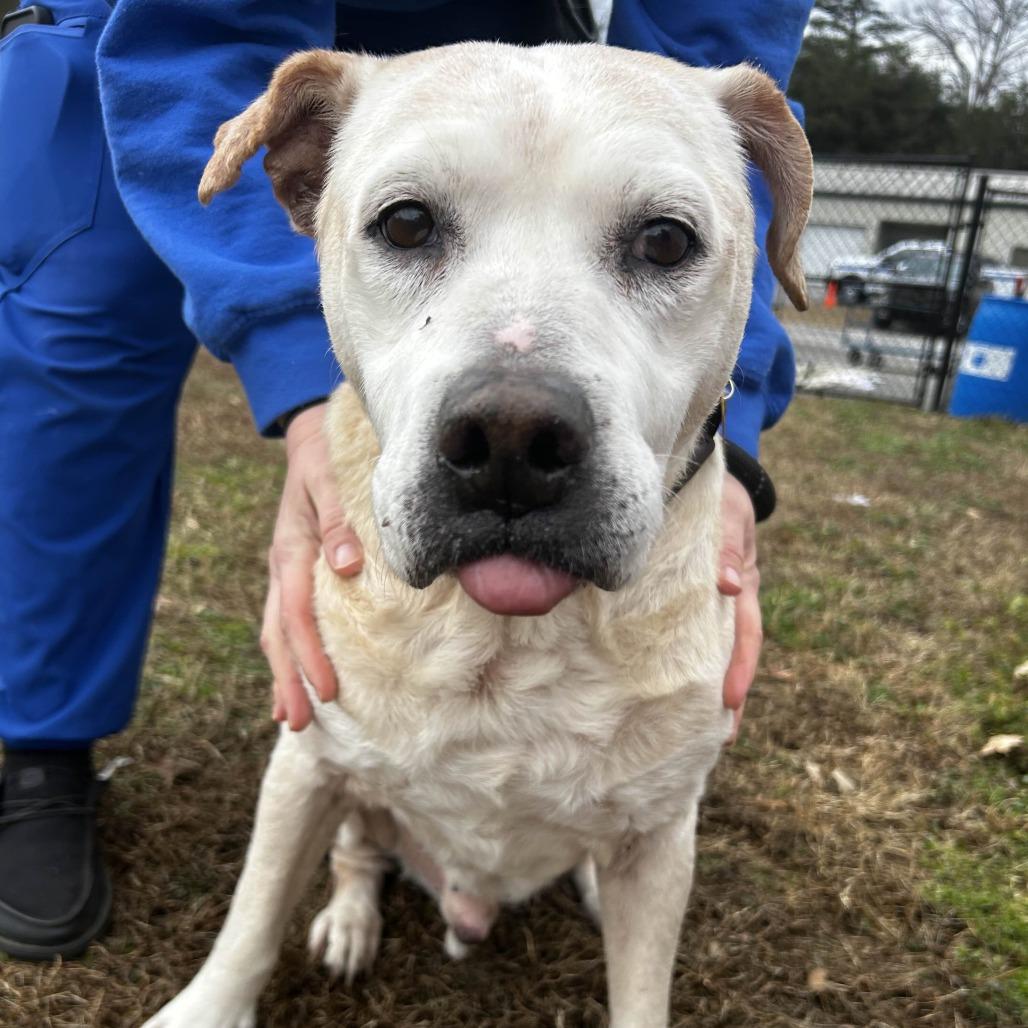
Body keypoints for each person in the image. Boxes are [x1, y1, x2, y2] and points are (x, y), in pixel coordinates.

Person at [0, 0, 812, 961]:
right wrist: (309, 394)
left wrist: (725, 433)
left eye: (661, 243)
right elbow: (200, 26)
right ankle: (41, 748)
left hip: (491, 29)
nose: (518, 419)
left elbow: (718, 34)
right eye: (411, 224)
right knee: (76, 334)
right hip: (160, 26)